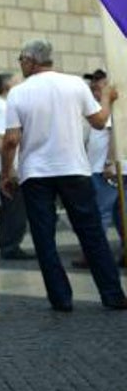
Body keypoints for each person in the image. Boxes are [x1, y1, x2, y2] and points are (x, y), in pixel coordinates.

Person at [0, 40, 125, 312]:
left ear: (31, 61)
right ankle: (113, 295)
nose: (19, 63)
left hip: (36, 173)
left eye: (21, 58)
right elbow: (100, 121)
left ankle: (61, 299)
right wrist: (107, 97)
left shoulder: (19, 93)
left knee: (44, 239)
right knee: (92, 234)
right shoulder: (76, 85)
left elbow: (10, 140)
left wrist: (6, 173)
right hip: (74, 169)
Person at [81, 69, 124, 265]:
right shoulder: (101, 108)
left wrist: (109, 163)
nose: (95, 92)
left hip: (105, 170)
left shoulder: (112, 109)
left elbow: (115, 137)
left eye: (98, 88)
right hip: (99, 168)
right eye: (93, 88)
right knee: (117, 213)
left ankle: (96, 256)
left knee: (101, 213)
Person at [0, 72, 32, 261]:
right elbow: (0, 139)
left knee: (8, 210)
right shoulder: (5, 108)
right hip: (9, 168)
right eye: (16, 83)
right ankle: (11, 246)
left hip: (2, 167)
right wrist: (10, 168)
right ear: (8, 88)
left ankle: (8, 244)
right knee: (15, 210)